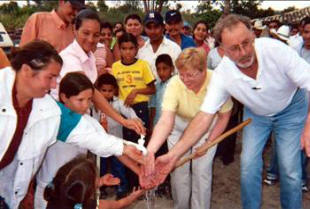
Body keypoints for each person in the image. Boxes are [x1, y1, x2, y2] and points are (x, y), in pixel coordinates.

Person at [142, 14, 310, 209]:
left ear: (253, 37)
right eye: (234, 48)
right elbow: (205, 117)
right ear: (222, 50)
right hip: (257, 114)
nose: (244, 52)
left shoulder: (277, 50)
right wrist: (172, 156)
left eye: (246, 43)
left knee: (290, 169)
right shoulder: (223, 75)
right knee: (247, 166)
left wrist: (308, 124)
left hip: (291, 109)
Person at [0, 40, 144, 209]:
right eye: (50, 77)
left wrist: (131, 151)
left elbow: (93, 137)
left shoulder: (49, 110)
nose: (54, 85)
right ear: (26, 70)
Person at [144, 48, 232, 209]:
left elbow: (224, 116)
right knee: (177, 169)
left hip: (207, 127)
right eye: (181, 74)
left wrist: (210, 142)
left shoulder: (217, 81)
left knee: (202, 172)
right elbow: (165, 120)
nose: (185, 79)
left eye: (190, 75)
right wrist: (151, 150)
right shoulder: (175, 83)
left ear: (203, 70)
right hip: (178, 125)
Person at [53, 9, 144, 134]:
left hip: (80, 119)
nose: (91, 39)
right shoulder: (70, 58)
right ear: (74, 29)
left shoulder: (90, 56)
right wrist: (123, 121)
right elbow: (91, 92)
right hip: (65, 123)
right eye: (86, 33)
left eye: (96, 35)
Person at [112, 32, 156, 191]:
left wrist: (136, 91)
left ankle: (142, 180)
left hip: (140, 109)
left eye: (131, 48)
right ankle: (129, 183)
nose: (128, 52)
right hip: (122, 111)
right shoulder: (116, 67)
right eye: (124, 48)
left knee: (140, 145)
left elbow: (152, 89)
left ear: (137, 49)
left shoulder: (143, 65)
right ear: (119, 49)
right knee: (125, 146)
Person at [94, 73, 139, 199]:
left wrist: (135, 119)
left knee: (118, 166)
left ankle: (121, 188)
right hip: (99, 143)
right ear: (97, 90)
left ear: (115, 90)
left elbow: (129, 111)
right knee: (99, 167)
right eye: (103, 90)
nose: (107, 93)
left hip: (116, 141)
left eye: (110, 90)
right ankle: (99, 188)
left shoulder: (118, 103)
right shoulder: (94, 104)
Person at [44, 156, 144, 209]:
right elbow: (118, 204)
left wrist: (100, 182)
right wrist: (133, 196)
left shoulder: (54, 195)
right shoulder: (93, 206)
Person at [20, 0, 85, 52]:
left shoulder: (76, 28)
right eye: (73, 8)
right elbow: (23, 53)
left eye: (79, 10)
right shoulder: (38, 20)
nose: (76, 13)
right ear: (61, 2)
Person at [137, 11, 181, 81]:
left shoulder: (174, 49)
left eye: (156, 27)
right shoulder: (141, 51)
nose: (153, 31)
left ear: (163, 27)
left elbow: (179, 75)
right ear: (144, 29)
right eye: (149, 27)